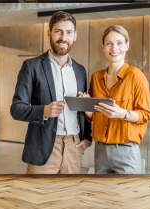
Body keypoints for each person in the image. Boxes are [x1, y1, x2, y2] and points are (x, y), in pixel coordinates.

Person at [10, 11, 91, 174]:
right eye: (58, 31)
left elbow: (84, 109)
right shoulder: (31, 66)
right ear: (49, 33)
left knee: (69, 197)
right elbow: (16, 109)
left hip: (73, 147)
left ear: (75, 36)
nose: (63, 37)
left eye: (68, 32)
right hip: (43, 146)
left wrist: (88, 137)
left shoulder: (80, 70)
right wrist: (44, 111)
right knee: (38, 197)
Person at [86, 25, 150, 174]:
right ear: (103, 47)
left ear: (127, 45)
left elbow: (145, 114)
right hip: (100, 150)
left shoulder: (136, 76)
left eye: (119, 43)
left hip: (126, 152)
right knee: (102, 195)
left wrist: (122, 113)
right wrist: (86, 105)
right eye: (109, 43)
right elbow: (93, 116)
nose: (114, 48)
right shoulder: (95, 77)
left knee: (128, 196)